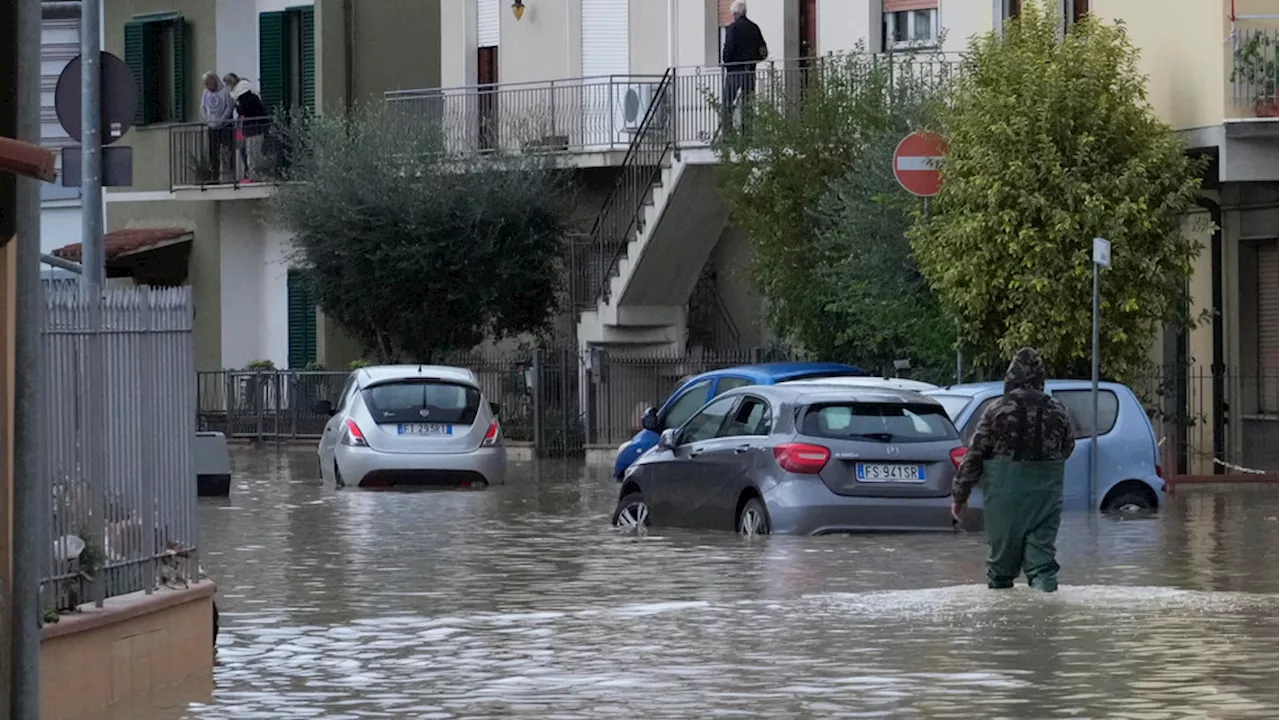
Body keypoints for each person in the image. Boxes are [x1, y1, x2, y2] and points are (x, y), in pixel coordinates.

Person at [952, 347, 1076, 593]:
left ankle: (1003, 622)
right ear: (1041, 379)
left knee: (1001, 566)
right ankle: (1046, 616)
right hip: (1045, 496)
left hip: (1005, 497)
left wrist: (960, 495)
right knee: (1042, 564)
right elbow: (1067, 447)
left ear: (1010, 377)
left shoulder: (996, 410)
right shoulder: (1058, 411)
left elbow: (975, 455)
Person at [720, 0, 768, 135]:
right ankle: (747, 135)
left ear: (735, 13)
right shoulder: (754, 28)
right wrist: (754, 60)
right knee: (748, 104)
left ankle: (728, 134)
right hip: (750, 71)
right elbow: (763, 51)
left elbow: (729, 49)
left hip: (734, 71)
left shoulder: (732, 28)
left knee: (728, 103)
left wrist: (726, 60)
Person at [224, 73, 269, 181]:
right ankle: (251, 173)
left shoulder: (243, 91)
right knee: (246, 151)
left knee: (252, 152)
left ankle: (255, 174)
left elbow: (245, 109)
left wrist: (239, 108)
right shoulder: (244, 90)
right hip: (250, 126)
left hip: (255, 125)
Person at [201, 72, 235, 182]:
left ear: (214, 81)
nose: (206, 86)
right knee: (213, 152)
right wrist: (207, 119)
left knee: (227, 151)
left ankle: (230, 174)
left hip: (224, 126)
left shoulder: (225, 91)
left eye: (208, 83)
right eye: (205, 84)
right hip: (212, 127)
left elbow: (229, 107)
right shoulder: (205, 93)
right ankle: (215, 176)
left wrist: (221, 120)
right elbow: (203, 107)